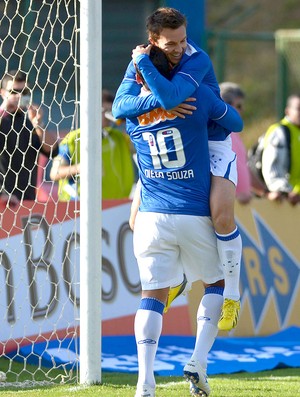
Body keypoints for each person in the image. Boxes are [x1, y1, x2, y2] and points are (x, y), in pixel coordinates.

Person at [113, 7, 242, 332]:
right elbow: (119, 107)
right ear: (153, 40)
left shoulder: (195, 59)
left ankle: (232, 294)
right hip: (171, 146)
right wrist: (157, 101)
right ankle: (176, 280)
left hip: (211, 143)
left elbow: (171, 97)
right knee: (135, 220)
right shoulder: (143, 60)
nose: (180, 48)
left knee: (221, 215)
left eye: (182, 40)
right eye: (171, 43)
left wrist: (159, 94)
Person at [125, 46, 243, 397]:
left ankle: (145, 383)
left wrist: (141, 68)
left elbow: (120, 105)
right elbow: (235, 123)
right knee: (215, 281)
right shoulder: (195, 99)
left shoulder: (132, 113)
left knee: (151, 294)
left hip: (151, 211)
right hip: (189, 210)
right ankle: (198, 361)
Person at [50, 89, 135, 200]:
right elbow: (55, 173)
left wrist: (128, 121)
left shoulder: (119, 138)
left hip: (115, 206)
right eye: (105, 111)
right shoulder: (73, 139)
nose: (108, 116)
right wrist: (80, 168)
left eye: (111, 111)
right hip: (79, 205)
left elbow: (142, 148)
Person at [0, 70, 57, 205]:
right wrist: (4, 108)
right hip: (2, 200)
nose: (19, 96)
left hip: (26, 202)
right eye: (13, 92)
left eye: (24, 92)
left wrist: (39, 124)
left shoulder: (30, 123)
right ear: (2, 92)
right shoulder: (2, 119)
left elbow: (52, 150)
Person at [261, 94, 300, 205]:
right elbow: (272, 168)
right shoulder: (279, 132)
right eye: (299, 109)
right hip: (282, 201)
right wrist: (285, 191)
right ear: (287, 111)